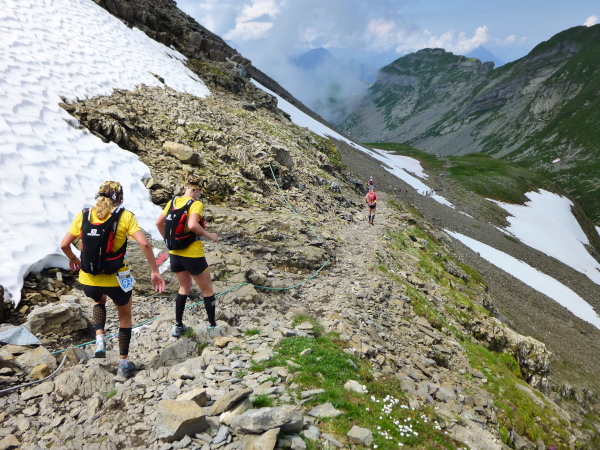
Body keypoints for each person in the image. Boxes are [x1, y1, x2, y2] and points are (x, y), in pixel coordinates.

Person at [60, 181, 166, 381]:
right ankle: (123, 365)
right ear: (120, 199)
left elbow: (64, 244)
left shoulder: (84, 215)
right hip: (116, 278)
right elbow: (144, 243)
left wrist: (73, 259)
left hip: (89, 279)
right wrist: (154, 271)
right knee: (124, 317)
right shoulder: (125, 216)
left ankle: (100, 340)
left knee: (98, 301)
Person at [155, 176, 219, 337]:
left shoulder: (173, 202)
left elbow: (158, 223)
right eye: (199, 191)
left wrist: (168, 240)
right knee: (207, 290)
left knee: (184, 288)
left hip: (175, 254)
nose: (199, 194)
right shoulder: (196, 204)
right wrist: (209, 235)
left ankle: (178, 325)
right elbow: (192, 225)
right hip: (193, 255)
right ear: (196, 189)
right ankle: (212, 326)